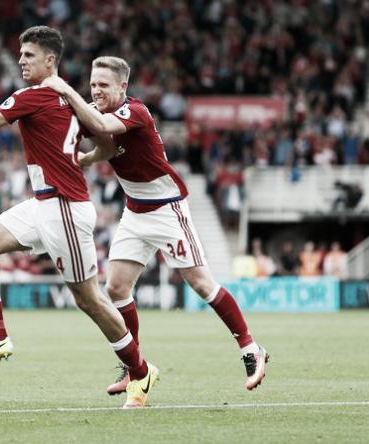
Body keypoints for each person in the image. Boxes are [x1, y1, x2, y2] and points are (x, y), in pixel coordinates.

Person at [0, 27, 157, 409]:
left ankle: (140, 371)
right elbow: (107, 140)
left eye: (29, 55)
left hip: (65, 207)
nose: (21, 61)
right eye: (20, 54)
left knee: (90, 300)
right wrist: (85, 159)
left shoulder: (34, 97)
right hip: (43, 203)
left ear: (50, 61)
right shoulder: (71, 103)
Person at [41, 56, 268, 395]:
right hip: (135, 210)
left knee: (202, 284)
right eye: (93, 85)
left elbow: (105, 131)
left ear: (123, 87)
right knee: (115, 288)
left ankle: (252, 349)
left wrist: (64, 89)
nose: (96, 91)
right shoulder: (94, 111)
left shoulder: (136, 111)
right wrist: (86, 155)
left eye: (104, 85)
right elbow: (105, 143)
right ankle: (136, 367)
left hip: (167, 209)